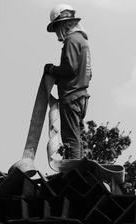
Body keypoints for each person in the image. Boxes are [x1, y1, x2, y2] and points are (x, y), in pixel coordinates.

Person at [44, 4, 92, 159]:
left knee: (70, 139)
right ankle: (79, 168)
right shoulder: (82, 41)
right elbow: (86, 73)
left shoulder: (71, 40)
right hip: (82, 96)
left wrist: (52, 70)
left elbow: (69, 68)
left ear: (62, 24)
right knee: (77, 136)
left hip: (71, 97)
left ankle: (74, 172)